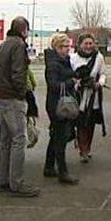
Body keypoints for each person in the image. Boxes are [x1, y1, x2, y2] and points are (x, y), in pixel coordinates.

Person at [0, 17, 40, 197]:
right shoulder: (19, 46)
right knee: (19, 139)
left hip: (0, 96)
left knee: (5, 140)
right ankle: (17, 183)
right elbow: (18, 74)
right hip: (13, 98)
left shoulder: (3, 45)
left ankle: (3, 180)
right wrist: (23, 95)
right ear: (24, 30)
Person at [43, 33, 80, 185]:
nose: (68, 50)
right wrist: (71, 82)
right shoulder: (54, 64)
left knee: (56, 136)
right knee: (60, 138)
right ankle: (62, 172)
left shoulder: (64, 61)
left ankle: (49, 166)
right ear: (57, 47)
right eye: (65, 47)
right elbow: (53, 85)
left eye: (69, 46)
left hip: (61, 103)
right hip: (57, 105)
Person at [70, 33, 107, 163]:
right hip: (78, 95)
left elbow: (102, 74)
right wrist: (78, 83)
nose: (88, 46)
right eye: (85, 43)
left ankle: (88, 147)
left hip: (93, 95)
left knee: (90, 122)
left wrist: (99, 84)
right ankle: (83, 149)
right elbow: (70, 76)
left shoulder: (99, 58)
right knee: (80, 122)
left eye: (91, 43)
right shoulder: (73, 58)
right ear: (80, 45)